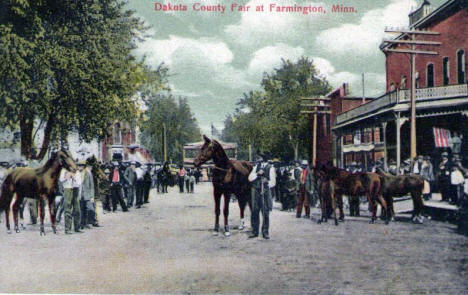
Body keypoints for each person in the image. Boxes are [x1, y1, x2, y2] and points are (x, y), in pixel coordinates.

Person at [248, 153, 276, 239]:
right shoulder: (257, 166)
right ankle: (254, 231)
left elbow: (273, 182)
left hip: (265, 192)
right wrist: (257, 174)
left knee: (265, 212)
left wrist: (266, 182)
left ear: (266, 159)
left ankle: (265, 232)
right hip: (256, 190)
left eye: (262, 157)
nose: (261, 159)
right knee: (254, 211)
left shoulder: (271, 168)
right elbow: (250, 178)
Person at [60, 167, 82, 234]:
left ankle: (77, 227)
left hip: (75, 189)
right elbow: (61, 179)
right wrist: (66, 177)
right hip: (67, 189)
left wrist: (74, 176)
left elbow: (79, 182)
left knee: (77, 209)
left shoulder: (77, 171)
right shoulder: (64, 170)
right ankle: (67, 229)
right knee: (67, 209)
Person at [81, 160, 98, 228]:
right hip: (82, 195)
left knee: (90, 209)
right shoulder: (82, 173)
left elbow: (91, 186)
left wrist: (92, 196)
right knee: (85, 209)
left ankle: (90, 222)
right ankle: (84, 223)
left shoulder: (88, 173)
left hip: (87, 195)